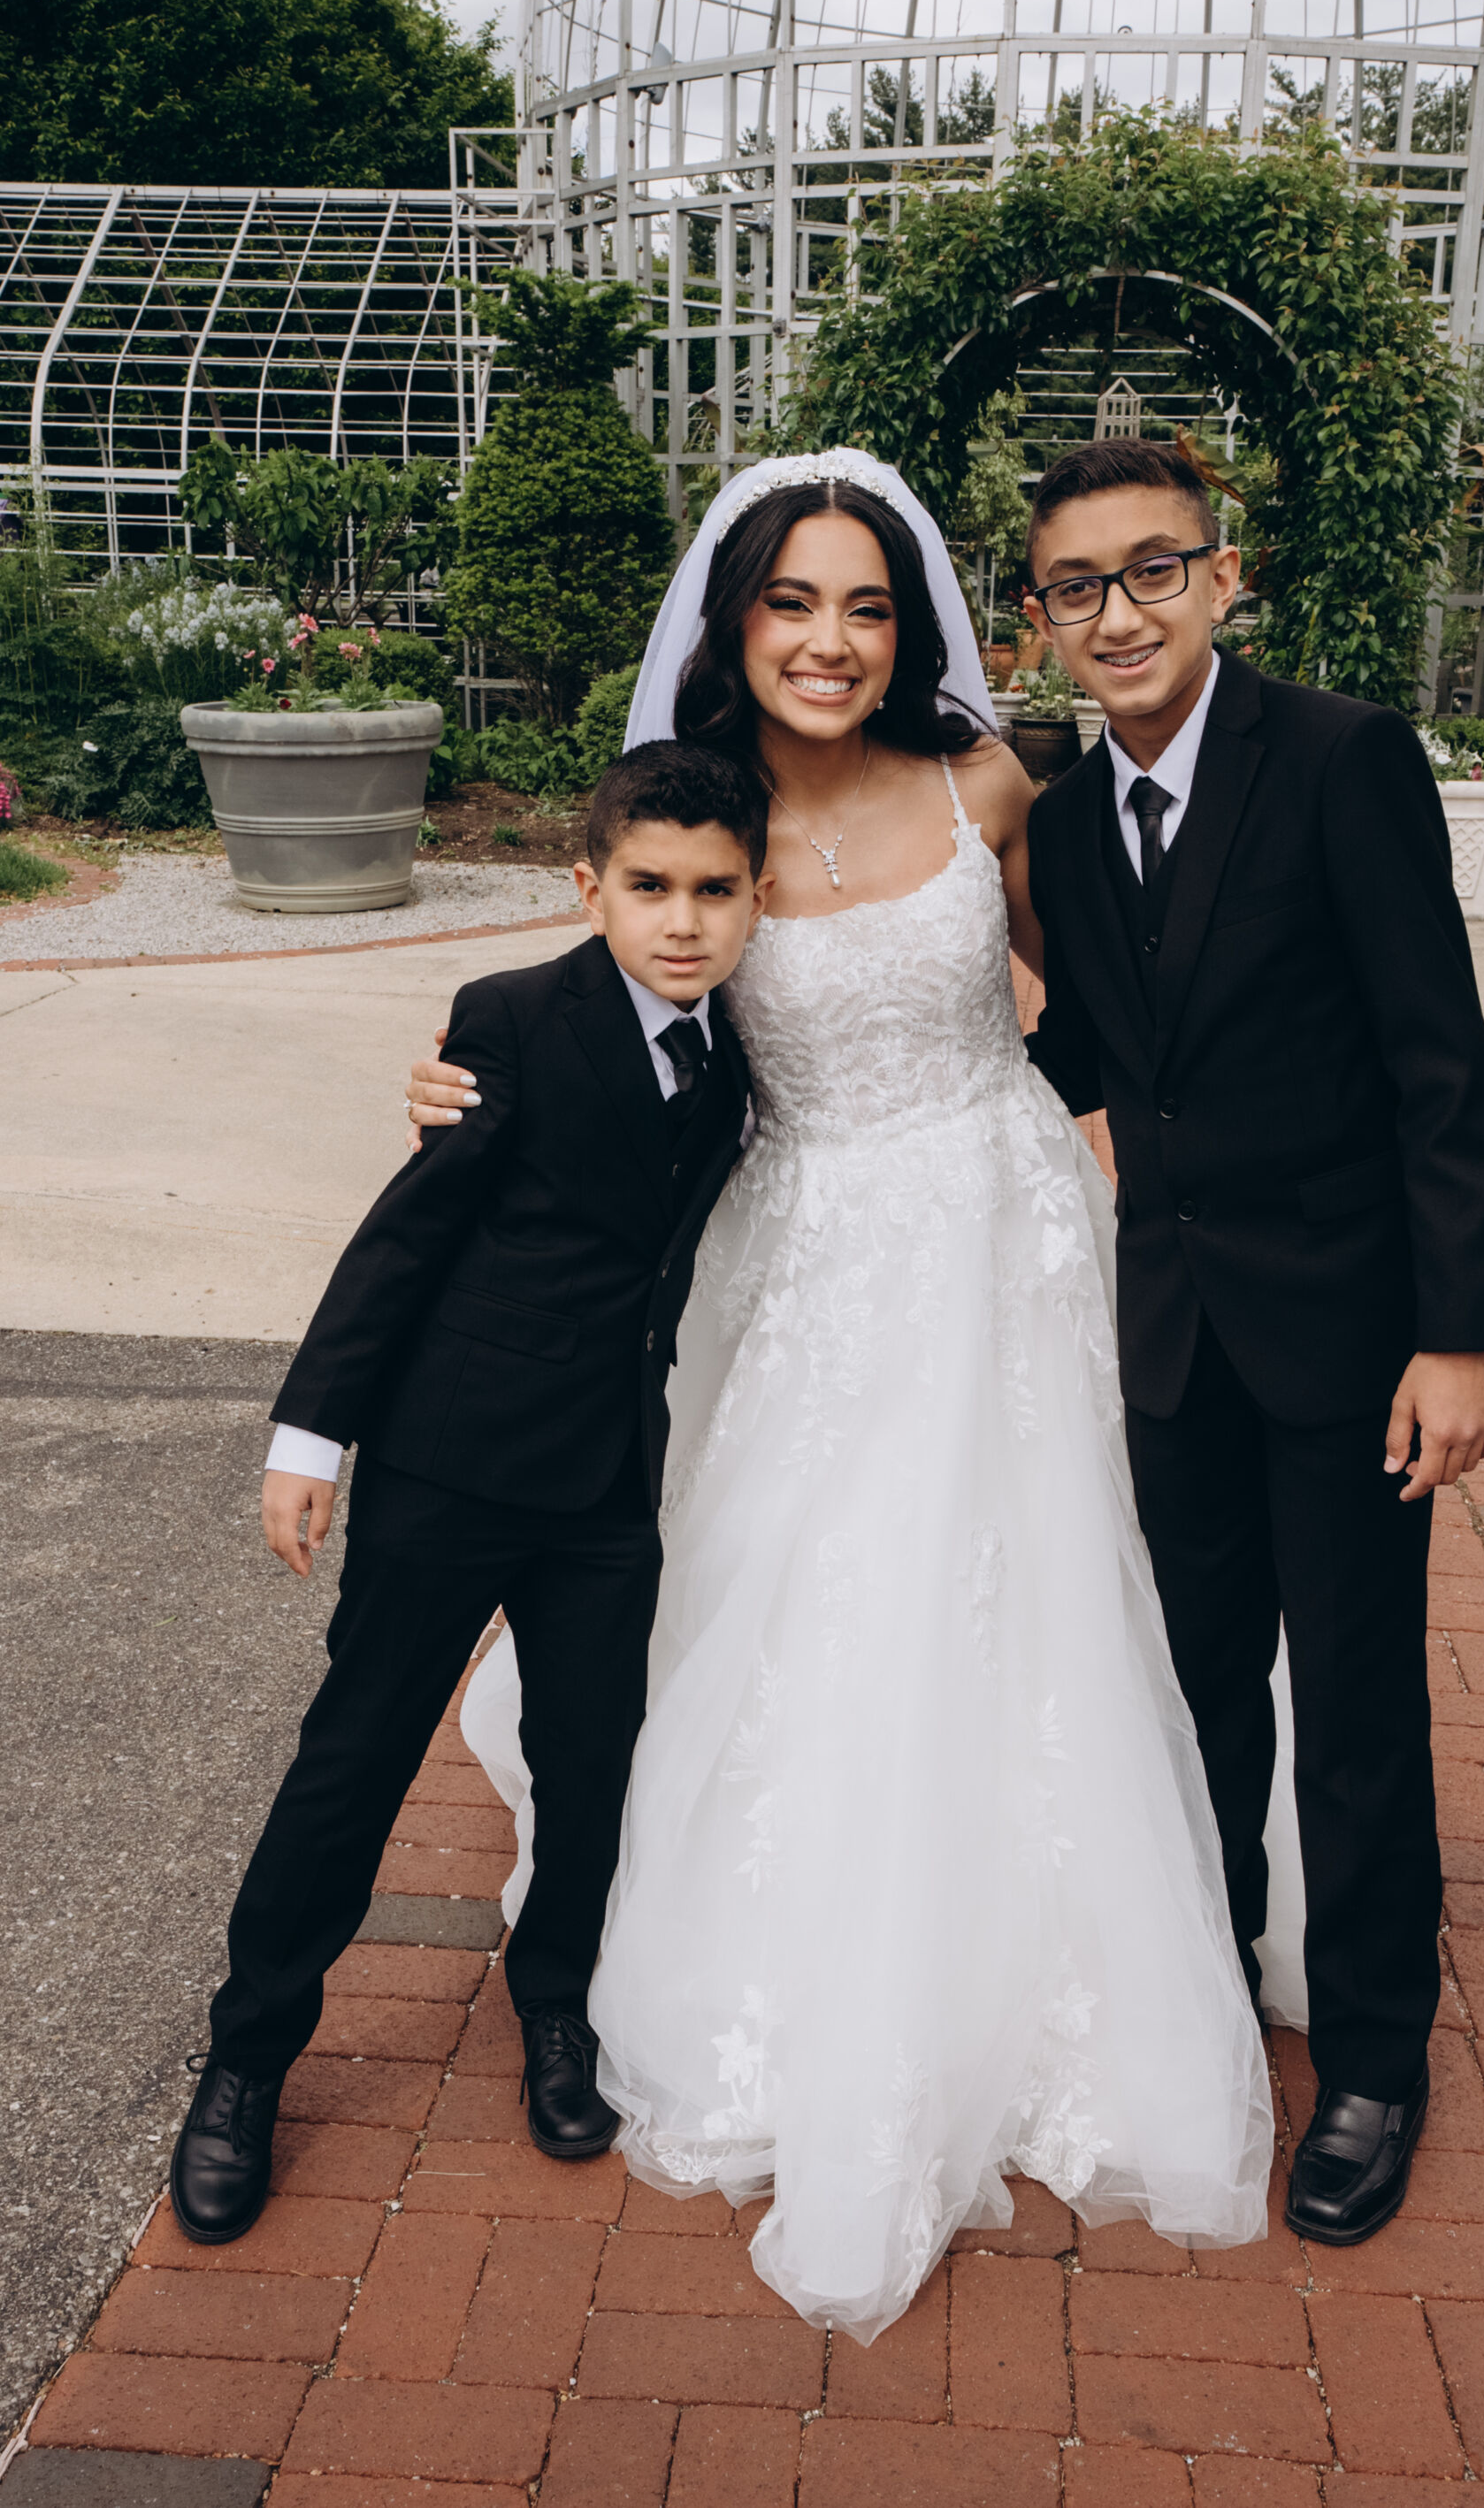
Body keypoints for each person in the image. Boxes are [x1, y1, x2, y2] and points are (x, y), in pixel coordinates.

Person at [405, 450, 1274, 2343]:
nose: (831, 639)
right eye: (793, 602)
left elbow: (1114, 1008)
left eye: (868, 605)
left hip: (1009, 1241)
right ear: (735, 623)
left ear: (914, 626)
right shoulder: (705, 815)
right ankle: (807, 1969)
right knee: (813, 1602)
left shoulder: (989, 785)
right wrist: (470, 1077)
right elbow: (618, 985)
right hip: (805, 1262)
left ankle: (1058, 1955)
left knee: (1043, 1592)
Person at [1020, 438, 1484, 2244]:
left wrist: (1459, 1334)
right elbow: (1090, 1053)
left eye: (1154, 568)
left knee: (1361, 1707)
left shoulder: (1338, 759)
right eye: (1079, 586)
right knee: (1198, 1695)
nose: (1120, 613)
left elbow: (1437, 1059)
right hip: (1170, 1336)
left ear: (1223, 577)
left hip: (1347, 1337)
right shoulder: (1063, 822)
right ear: (1041, 619)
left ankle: (1378, 2056)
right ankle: (1213, 1994)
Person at [168, 742, 767, 2244]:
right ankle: (247, 2058)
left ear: (755, 899)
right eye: (649, 886)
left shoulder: (739, 1054)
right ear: (589, 886)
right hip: (452, 1459)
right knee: (355, 1758)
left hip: (609, 1484)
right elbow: (406, 1236)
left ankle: (555, 2007)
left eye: (714, 891)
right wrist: (312, 1436)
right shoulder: (506, 1019)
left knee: (592, 1764)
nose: (681, 920)